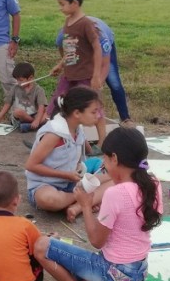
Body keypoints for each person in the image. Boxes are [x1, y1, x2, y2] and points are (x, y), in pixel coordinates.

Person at [34, 127, 162, 281]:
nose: (103, 163)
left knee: (42, 247)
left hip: (113, 271)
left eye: (105, 158)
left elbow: (96, 241)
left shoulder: (115, 194)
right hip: (139, 269)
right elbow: (131, 218)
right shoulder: (153, 184)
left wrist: (85, 206)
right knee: (73, 273)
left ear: (115, 158)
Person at [25, 87, 112, 222]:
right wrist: (66, 175)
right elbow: (31, 165)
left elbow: (85, 155)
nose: (98, 116)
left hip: (71, 183)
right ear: (77, 113)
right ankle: (82, 200)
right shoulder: (54, 134)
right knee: (48, 199)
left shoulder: (77, 129)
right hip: (46, 185)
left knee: (118, 178)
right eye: (93, 112)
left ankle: (77, 207)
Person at [56, 16, 132, 127]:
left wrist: (97, 82)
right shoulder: (65, 35)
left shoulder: (101, 38)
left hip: (103, 49)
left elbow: (105, 65)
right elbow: (65, 53)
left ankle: (125, 118)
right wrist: (64, 65)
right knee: (74, 80)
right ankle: (73, 118)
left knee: (114, 82)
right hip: (79, 48)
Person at [46, 0, 103, 119]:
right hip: (69, 75)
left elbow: (97, 48)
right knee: (57, 103)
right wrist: (60, 65)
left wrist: (96, 76)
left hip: (84, 76)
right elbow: (70, 50)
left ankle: (101, 134)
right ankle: (51, 129)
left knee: (93, 109)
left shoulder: (86, 23)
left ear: (75, 3)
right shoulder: (67, 22)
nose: (60, 8)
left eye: (62, 4)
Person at [0, 62, 48, 132]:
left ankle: (31, 125)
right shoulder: (15, 88)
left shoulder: (39, 90)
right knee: (18, 112)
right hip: (20, 117)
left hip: (34, 115)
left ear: (30, 78)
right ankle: (34, 125)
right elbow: (8, 103)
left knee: (47, 112)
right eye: (17, 80)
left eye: (21, 80)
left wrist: (37, 119)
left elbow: (41, 107)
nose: (18, 82)